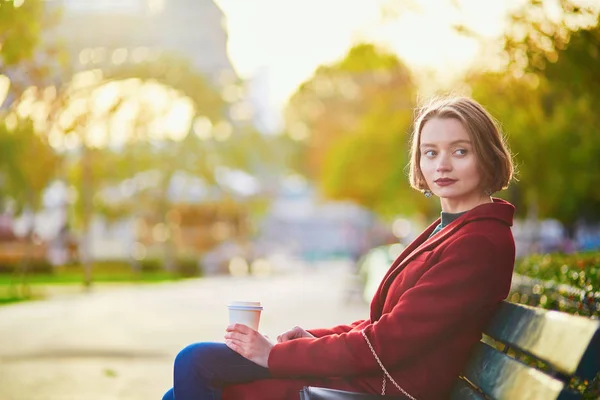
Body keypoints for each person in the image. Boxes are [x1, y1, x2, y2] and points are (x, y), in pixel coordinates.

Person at [161, 95, 516, 400]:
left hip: (378, 389)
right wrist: (310, 338)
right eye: (430, 152)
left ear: (486, 155)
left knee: (195, 362)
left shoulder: (479, 242)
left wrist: (276, 356)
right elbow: (387, 324)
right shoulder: (451, 229)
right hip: (370, 378)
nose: (442, 165)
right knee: (181, 391)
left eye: (460, 151)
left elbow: (387, 342)